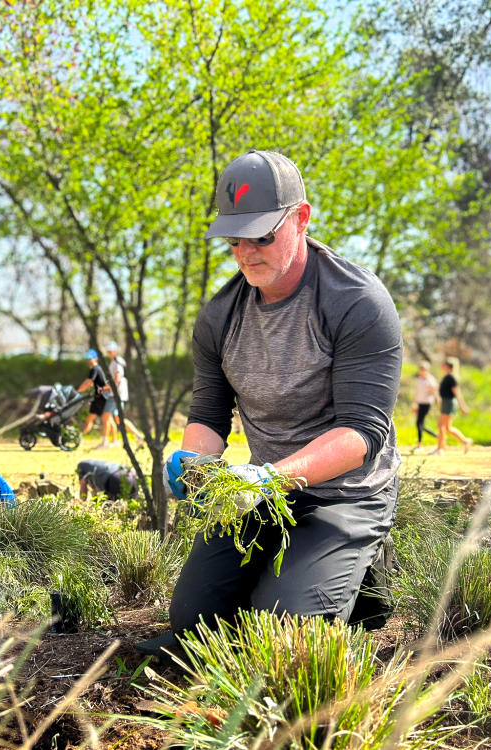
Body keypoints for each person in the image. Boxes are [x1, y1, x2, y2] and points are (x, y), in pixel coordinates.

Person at [153, 150, 402, 649]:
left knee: (281, 636)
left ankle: (370, 573)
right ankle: (305, 572)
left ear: (302, 218)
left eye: (262, 236)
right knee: (195, 630)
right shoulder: (220, 317)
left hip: (345, 493)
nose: (246, 252)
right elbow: (208, 415)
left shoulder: (356, 302)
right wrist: (193, 465)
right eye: (234, 239)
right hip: (260, 491)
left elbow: (362, 434)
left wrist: (271, 477)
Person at [103, 341, 146, 448]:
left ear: (115, 351)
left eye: (110, 351)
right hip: (118, 394)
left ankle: (104, 443)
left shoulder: (117, 362)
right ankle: (138, 436)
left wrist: (104, 388)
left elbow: (116, 380)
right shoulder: (116, 362)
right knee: (118, 419)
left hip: (116, 395)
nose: (109, 353)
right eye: (108, 351)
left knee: (105, 417)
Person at [434, 357, 473, 455]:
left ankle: (440, 449)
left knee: (441, 426)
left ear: (448, 366)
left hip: (450, 403)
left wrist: (463, 406)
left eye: (444, 364)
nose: (441, 366)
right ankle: (465, 441)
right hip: (446, 402)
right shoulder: (447, 377)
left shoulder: (451, 378)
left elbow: (457, 393)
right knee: (447, 428)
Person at [76, 349, 113, 446]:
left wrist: (78, 391)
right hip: (104, 396)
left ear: (95, 359)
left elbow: (88, 382)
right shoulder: (98, 369)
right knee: (110, 420)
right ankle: (114, 441)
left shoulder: (95, 369)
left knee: (90, 418)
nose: (88, 360)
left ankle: (79, 438)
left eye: (90, 358)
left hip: (101, 397)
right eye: (87, 358)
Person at [412, 362, 440, 450]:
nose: (421, 371)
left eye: (423, 370)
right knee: (421, 425)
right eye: (421, 370)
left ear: (427, 370)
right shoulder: (419, 379)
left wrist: (438, 402)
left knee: (419, 423)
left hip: (426, 404)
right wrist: (414, 404)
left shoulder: (430, 379)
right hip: (420, 403)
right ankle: (438, 436)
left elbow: (435, 391)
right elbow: (417, 393)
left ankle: (419, 445)